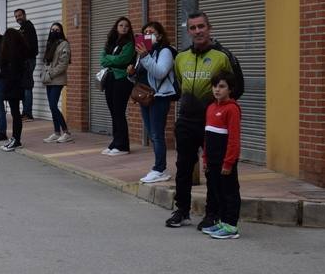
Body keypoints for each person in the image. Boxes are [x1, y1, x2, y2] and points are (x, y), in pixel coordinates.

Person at [165, 11, 243, 229]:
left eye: (201, 26)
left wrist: (220, 111)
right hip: (186, 121)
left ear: (209, 28)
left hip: (213, 124)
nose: (197, 31)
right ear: (188, 31)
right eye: (193, 28)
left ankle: (212, 213)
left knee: (213, 169)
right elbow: (179, 85)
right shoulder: (181, 58)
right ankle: (182, 210)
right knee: (183, 167)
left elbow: (237, 87)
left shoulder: (223, 56)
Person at [131, 20, 176, 183]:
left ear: (160, 35)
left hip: (159, 98)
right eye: (145, 32)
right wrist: (131, 73)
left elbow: (159, 73)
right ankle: (158, 166)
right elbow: (139, 76)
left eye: (151, 32)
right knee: (151, 134)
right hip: (145, 98)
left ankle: (160, 169)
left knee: (157, 134)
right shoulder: (143, 51)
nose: (147, 35)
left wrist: (144, 56)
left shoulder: (165, 51)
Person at [201, 73, 243, 239]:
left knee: (230, 192)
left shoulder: (232, 109)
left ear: (230, 89)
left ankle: (231, 226)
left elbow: (234, 139)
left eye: (222, 86)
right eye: (215, 86)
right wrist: (205, 158)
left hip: (225, 160)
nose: (217, 90)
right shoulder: (211, 108)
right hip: (212, 160)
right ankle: (222, 221)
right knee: (217, 191)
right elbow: (207, 136)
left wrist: (228, 162)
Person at [99, 16, 136, 156]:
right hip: (110, 79)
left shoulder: (129, 44)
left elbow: (123, 59)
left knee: (119, 112)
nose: (124, 28)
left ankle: (123, 146)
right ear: (116, 27)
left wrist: (110, 59)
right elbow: (102, 59)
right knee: (113, 112)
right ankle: (115, 142)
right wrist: (111, 60)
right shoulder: (111, 42)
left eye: (126, 26)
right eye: (121, 25)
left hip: (122, 80)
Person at [40, 22, 72, 143]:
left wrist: (50, 74)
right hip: (49, 79)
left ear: (61, 31)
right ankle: (56, 132)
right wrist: (44, 74)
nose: (54, 32)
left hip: (57, 80)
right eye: (52, 30)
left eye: (57, 30)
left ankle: (66, 132)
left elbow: (63, 65)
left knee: (53, 106)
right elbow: (47, 62)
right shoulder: (50, 44)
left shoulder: (64, 44)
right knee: (52, 107)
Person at [0, 28, 31, 151]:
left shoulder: (13, 55)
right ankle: (15, 138)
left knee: (16, 114)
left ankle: (16, 140)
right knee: (15, 113)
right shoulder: (21, 52)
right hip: (17, 87)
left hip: (13, 87)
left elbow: (11, 74)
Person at [13, 8, 38, 120]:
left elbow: (29, 47)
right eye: (16, 16)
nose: (18, 18)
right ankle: (25, 112)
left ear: (24, 15)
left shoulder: (28, 27)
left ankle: (28, 113)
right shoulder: (23, 29)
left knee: (27, 87)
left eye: (19, 15)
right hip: (25, 61)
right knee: (24, 86)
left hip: (28, 61)